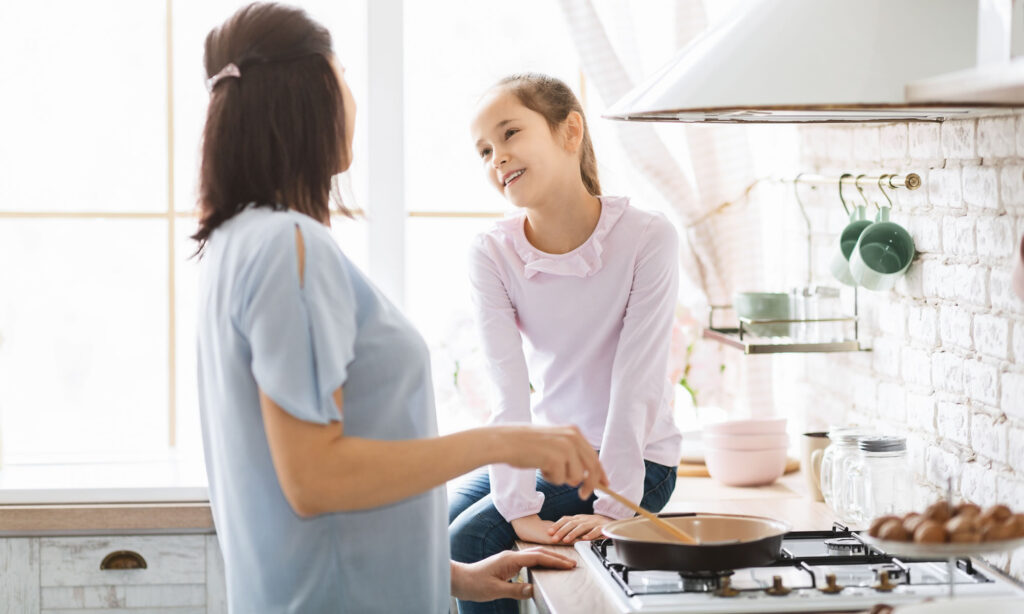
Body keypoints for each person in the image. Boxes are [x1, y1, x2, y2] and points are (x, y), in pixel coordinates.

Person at [193, 6, 606, 612]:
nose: (354, 100)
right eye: (343, 76)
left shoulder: (235, 242)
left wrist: (452, 576)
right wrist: (508, 442)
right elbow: (317, 479)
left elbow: (320, 496)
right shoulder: (288, 247)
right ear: (309, 95)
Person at [448, 74, 682, 613]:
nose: (497, 158)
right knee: (440, 527)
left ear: (570, 131)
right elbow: (507, 388)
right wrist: (517, 503)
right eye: (484, 150)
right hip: (550, 452)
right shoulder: (491, 253)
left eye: (510, 134)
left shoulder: (648, 237)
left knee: (469, 540)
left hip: (637, 461)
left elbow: (637, 382)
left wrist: (616, 505)